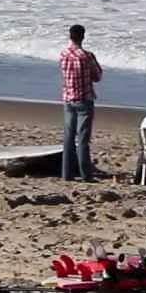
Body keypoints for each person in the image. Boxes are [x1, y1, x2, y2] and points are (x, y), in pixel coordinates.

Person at [59, 24, 102, 182]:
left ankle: (67, 173)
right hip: (84, 99)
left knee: (69, 138)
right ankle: (86, 174)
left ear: (70, 36)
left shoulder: (63, 54)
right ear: (83, 37)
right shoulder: (86, 56)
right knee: (83, 139)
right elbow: (97, 76)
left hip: (68, 99)